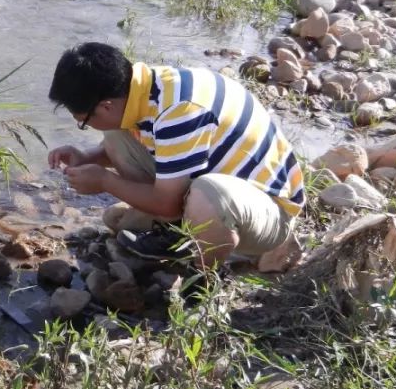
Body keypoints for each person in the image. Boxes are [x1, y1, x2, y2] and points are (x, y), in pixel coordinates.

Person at [47, 42, 304, 268]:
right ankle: (172, 229)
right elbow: (147, 142)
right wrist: (86, 157)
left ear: (106, 105)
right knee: (116, 132)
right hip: (233, 190)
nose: (86, 127)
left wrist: (105, 181)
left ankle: (200, 276)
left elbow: (167, 203)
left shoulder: (178, 111)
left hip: (271, 213)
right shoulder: (145, 87)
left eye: (84, 122)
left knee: (206, 194)